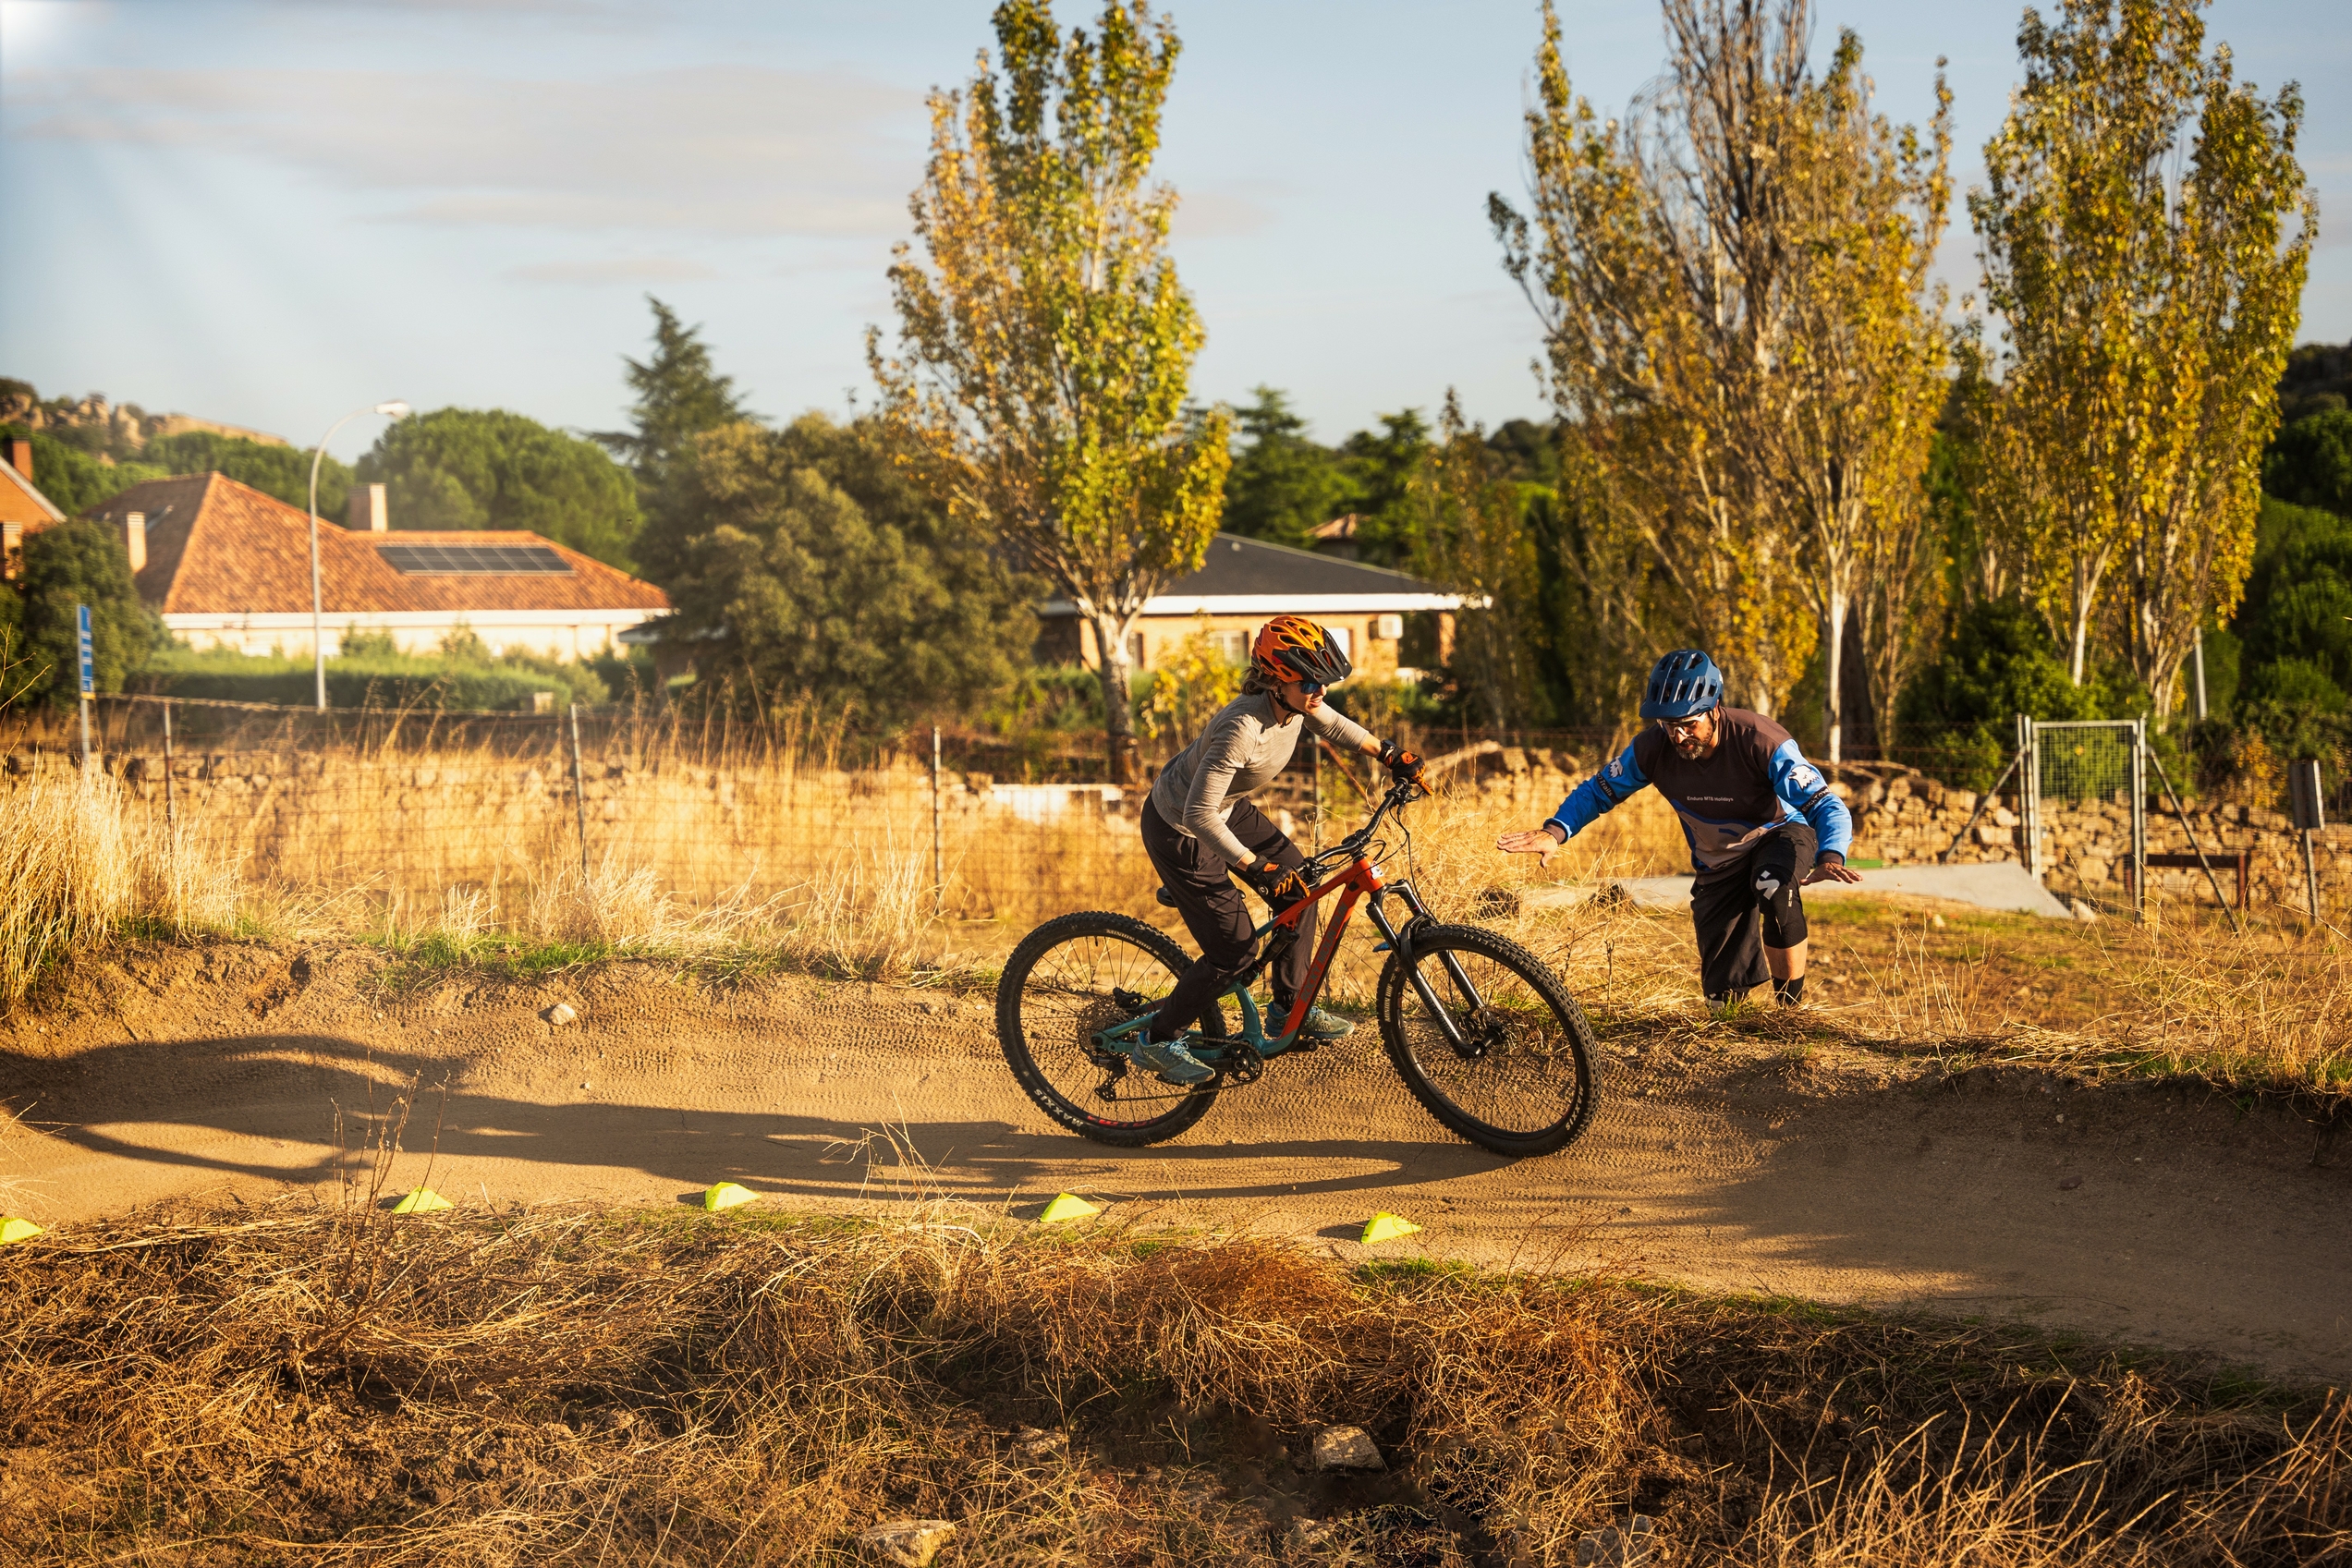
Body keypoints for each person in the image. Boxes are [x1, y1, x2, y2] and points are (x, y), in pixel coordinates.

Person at [1136, 614, 1427, 1086]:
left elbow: (1337, 726)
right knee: (1236, 953)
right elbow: (1197, 814)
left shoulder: (1299, 704)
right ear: (1274, 678)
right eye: (1311, 682)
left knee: (1300, 888)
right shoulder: (1241, 726)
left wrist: (1391, 755)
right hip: (1181, 828)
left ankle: (1289, 1008)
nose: (1320, 692)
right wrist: (1257, 867)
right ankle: (1158, 1038)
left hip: (1226, 812)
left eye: (1324, 682)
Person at [1497, 649, 1859, 1012]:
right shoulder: (1651, 749)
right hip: (1718, 862)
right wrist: (1555, 831)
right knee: (1721, 1003)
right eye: (1670, 725)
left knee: (1774, 886)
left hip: (1779, 832)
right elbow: (1598, 792)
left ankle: (1790, 1012)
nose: (1680, 735)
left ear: (1715, 708)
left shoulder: (1759, 739)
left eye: (1690, 724)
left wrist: (1830, 854)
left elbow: (1826, 804)